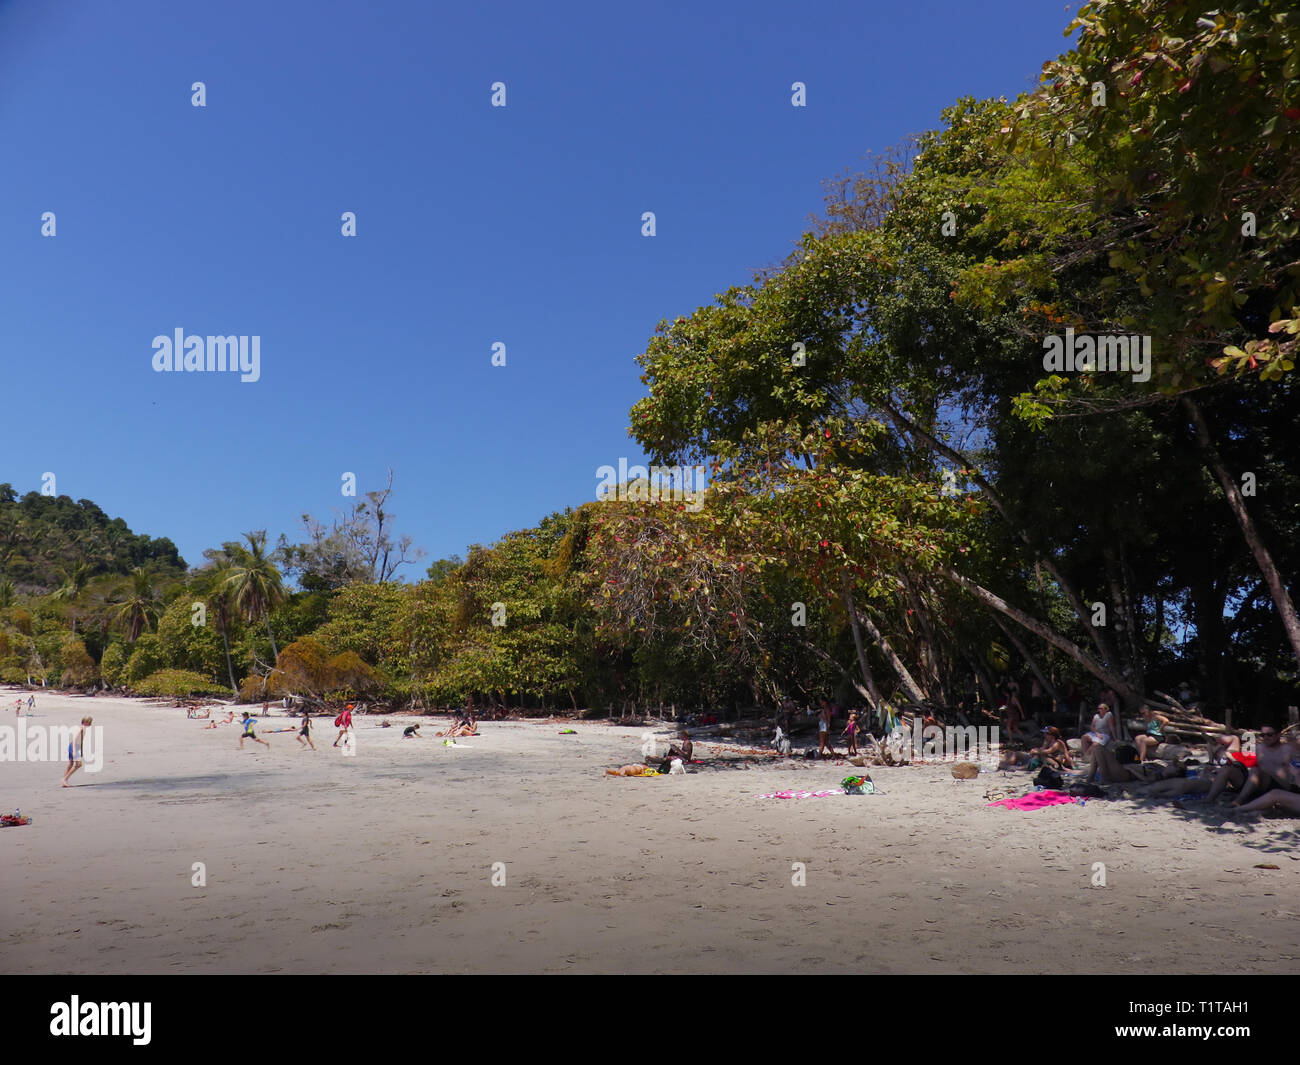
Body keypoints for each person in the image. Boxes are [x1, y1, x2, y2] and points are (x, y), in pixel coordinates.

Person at [1230, 727, 1300, 807]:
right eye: (1263, 735)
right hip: (1264, 783)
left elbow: (1296, 774)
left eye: (1269, 735)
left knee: (1255, 771)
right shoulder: (1260, 748)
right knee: (1228, 769)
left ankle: (1238, 802)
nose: (1266, 737)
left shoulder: (1288, 749)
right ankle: (1214, 800)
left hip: (1282, 785)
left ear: (1278, 735)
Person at [61, 717, 93, 786]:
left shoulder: (83, 728)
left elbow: (80, 741)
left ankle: (64, 780)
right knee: (79, 764)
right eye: (89, 721)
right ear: (85, 722)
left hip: (73, 746)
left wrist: (80, 751)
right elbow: (75, 739)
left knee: (71, 764)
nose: (90, 723)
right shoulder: (81, 728)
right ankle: (64, 779)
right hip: (74, 747)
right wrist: (75, 750)